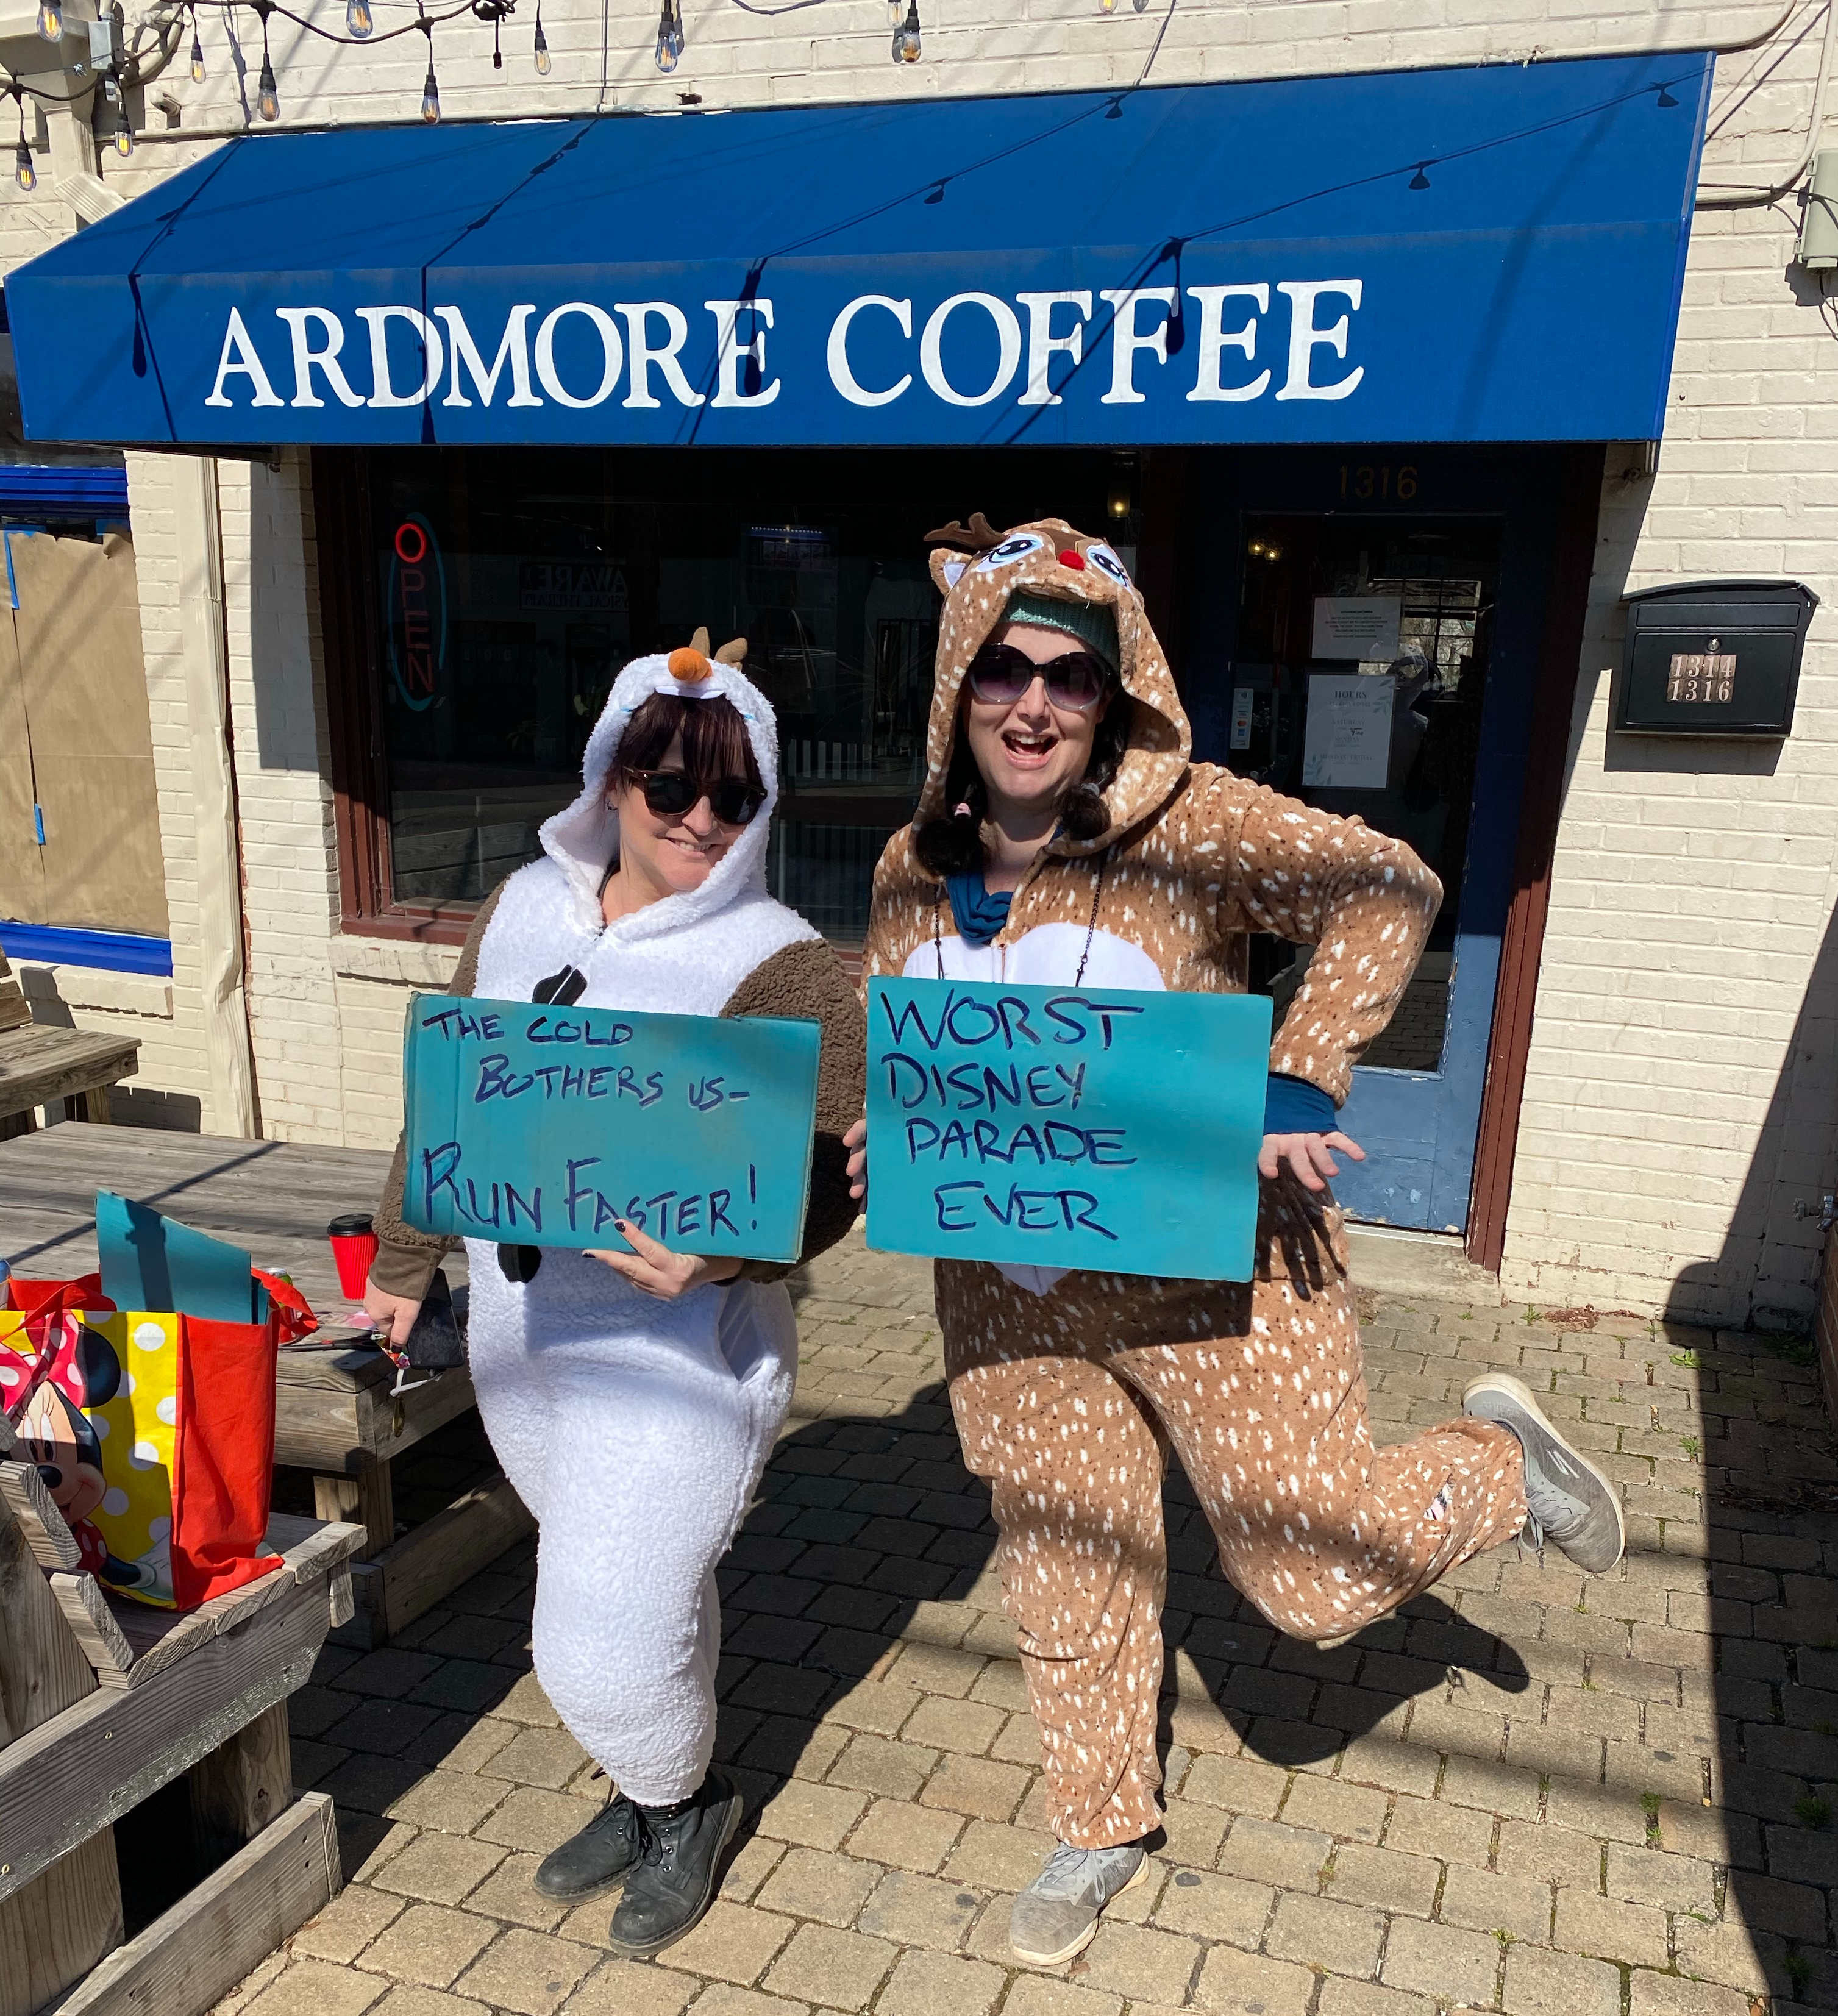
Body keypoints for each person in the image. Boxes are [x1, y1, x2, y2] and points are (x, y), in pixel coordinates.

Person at [848, 518, 1624, 1968]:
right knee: (1064, 1554)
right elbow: (926, 1048)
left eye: (1067, 679)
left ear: (1114, 695)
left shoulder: (1188, 825)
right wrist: (886, 1134)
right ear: (957, 687)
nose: (1031, 705)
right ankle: (1094, 1821)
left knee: (1310, 1584)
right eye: (1002, 670)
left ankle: (1496, 1469)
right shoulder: (907, 863)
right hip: (1011, 1298)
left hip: (1218, 1271)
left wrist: (1299, 1067)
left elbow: (1390, 885)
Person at [363, 636, 864, 1957]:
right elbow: (447, 1097)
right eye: (668, 786)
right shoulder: (523, 901)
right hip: (524, 1345)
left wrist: (736, 1252)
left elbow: (840, 1179)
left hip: (679, 1359)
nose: (700, 818)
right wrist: (404, 1270)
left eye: (734, 797)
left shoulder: (791, 962)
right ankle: (648, 1796)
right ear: (612, 774)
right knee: (648, 1601)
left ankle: (684, 1800)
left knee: (594, 1637)